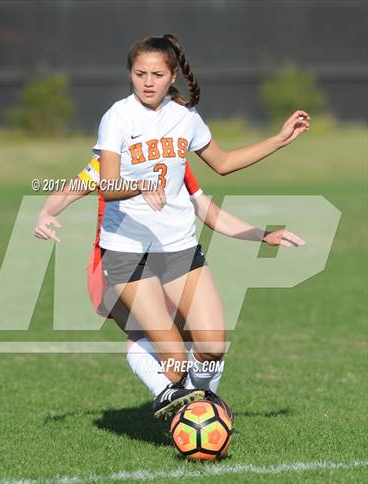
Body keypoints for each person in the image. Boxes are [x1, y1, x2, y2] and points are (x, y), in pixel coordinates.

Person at [91, 34, 309, 418]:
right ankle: (183, 407)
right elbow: (106, 185)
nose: (147, 82)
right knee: (173, 357)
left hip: (179, 250)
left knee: (211, 347)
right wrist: (141, 185)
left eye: (157, 74)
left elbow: (222, 163)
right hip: (128, 253)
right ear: (129, 74)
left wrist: (277, 141)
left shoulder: (185, 118)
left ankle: (200, 410)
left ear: (172, 74)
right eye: (139, 73)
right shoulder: (118, 117)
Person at [35, 154, 305, 419]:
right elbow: (67, 192)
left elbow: (207, 210)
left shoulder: (174, 157)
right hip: (117, 267)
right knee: (161, 349)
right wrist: (46, 212)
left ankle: (201, 410)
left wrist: (263, 235)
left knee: (205, 345)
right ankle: (168, 394)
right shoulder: (111, 159)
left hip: (168, 265)